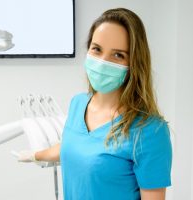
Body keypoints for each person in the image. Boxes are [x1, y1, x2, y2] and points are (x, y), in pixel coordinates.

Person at [16, 8, 172, 200]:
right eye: (97, 49)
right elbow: (72, 146)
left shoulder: (149, 131)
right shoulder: (78, 103)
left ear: (134, 63)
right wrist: (36, 155)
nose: (102, 62)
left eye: (118, 55)